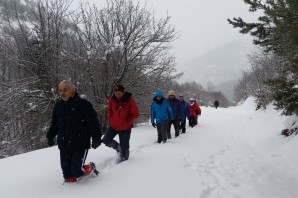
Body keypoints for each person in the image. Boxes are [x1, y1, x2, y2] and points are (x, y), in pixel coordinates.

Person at [46, 80, 102, 183]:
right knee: (68, 175)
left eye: (65, 90)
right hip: (63, 144)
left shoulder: (83, 104)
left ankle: (91, 167)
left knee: (76, 171)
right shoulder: (58, 105)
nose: (62, 93)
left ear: (72, 91)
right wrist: (50, 136)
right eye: (60, 90)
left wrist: (96, 138)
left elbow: (93, 122)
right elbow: (55, 123)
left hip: (80, 143)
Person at [102, 85, 139, 162]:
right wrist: (111, 120)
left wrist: (128, 122)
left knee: (125, 149)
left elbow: (135, 113)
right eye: (116, 94)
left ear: (123, 92)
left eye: (119, 93)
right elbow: (109, 111)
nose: (117, 95)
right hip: (114, 126)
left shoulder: (130, 100)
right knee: (106, 140)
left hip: (125, 128)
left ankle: (125, 163)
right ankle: (118, 148)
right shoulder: (112, 100)